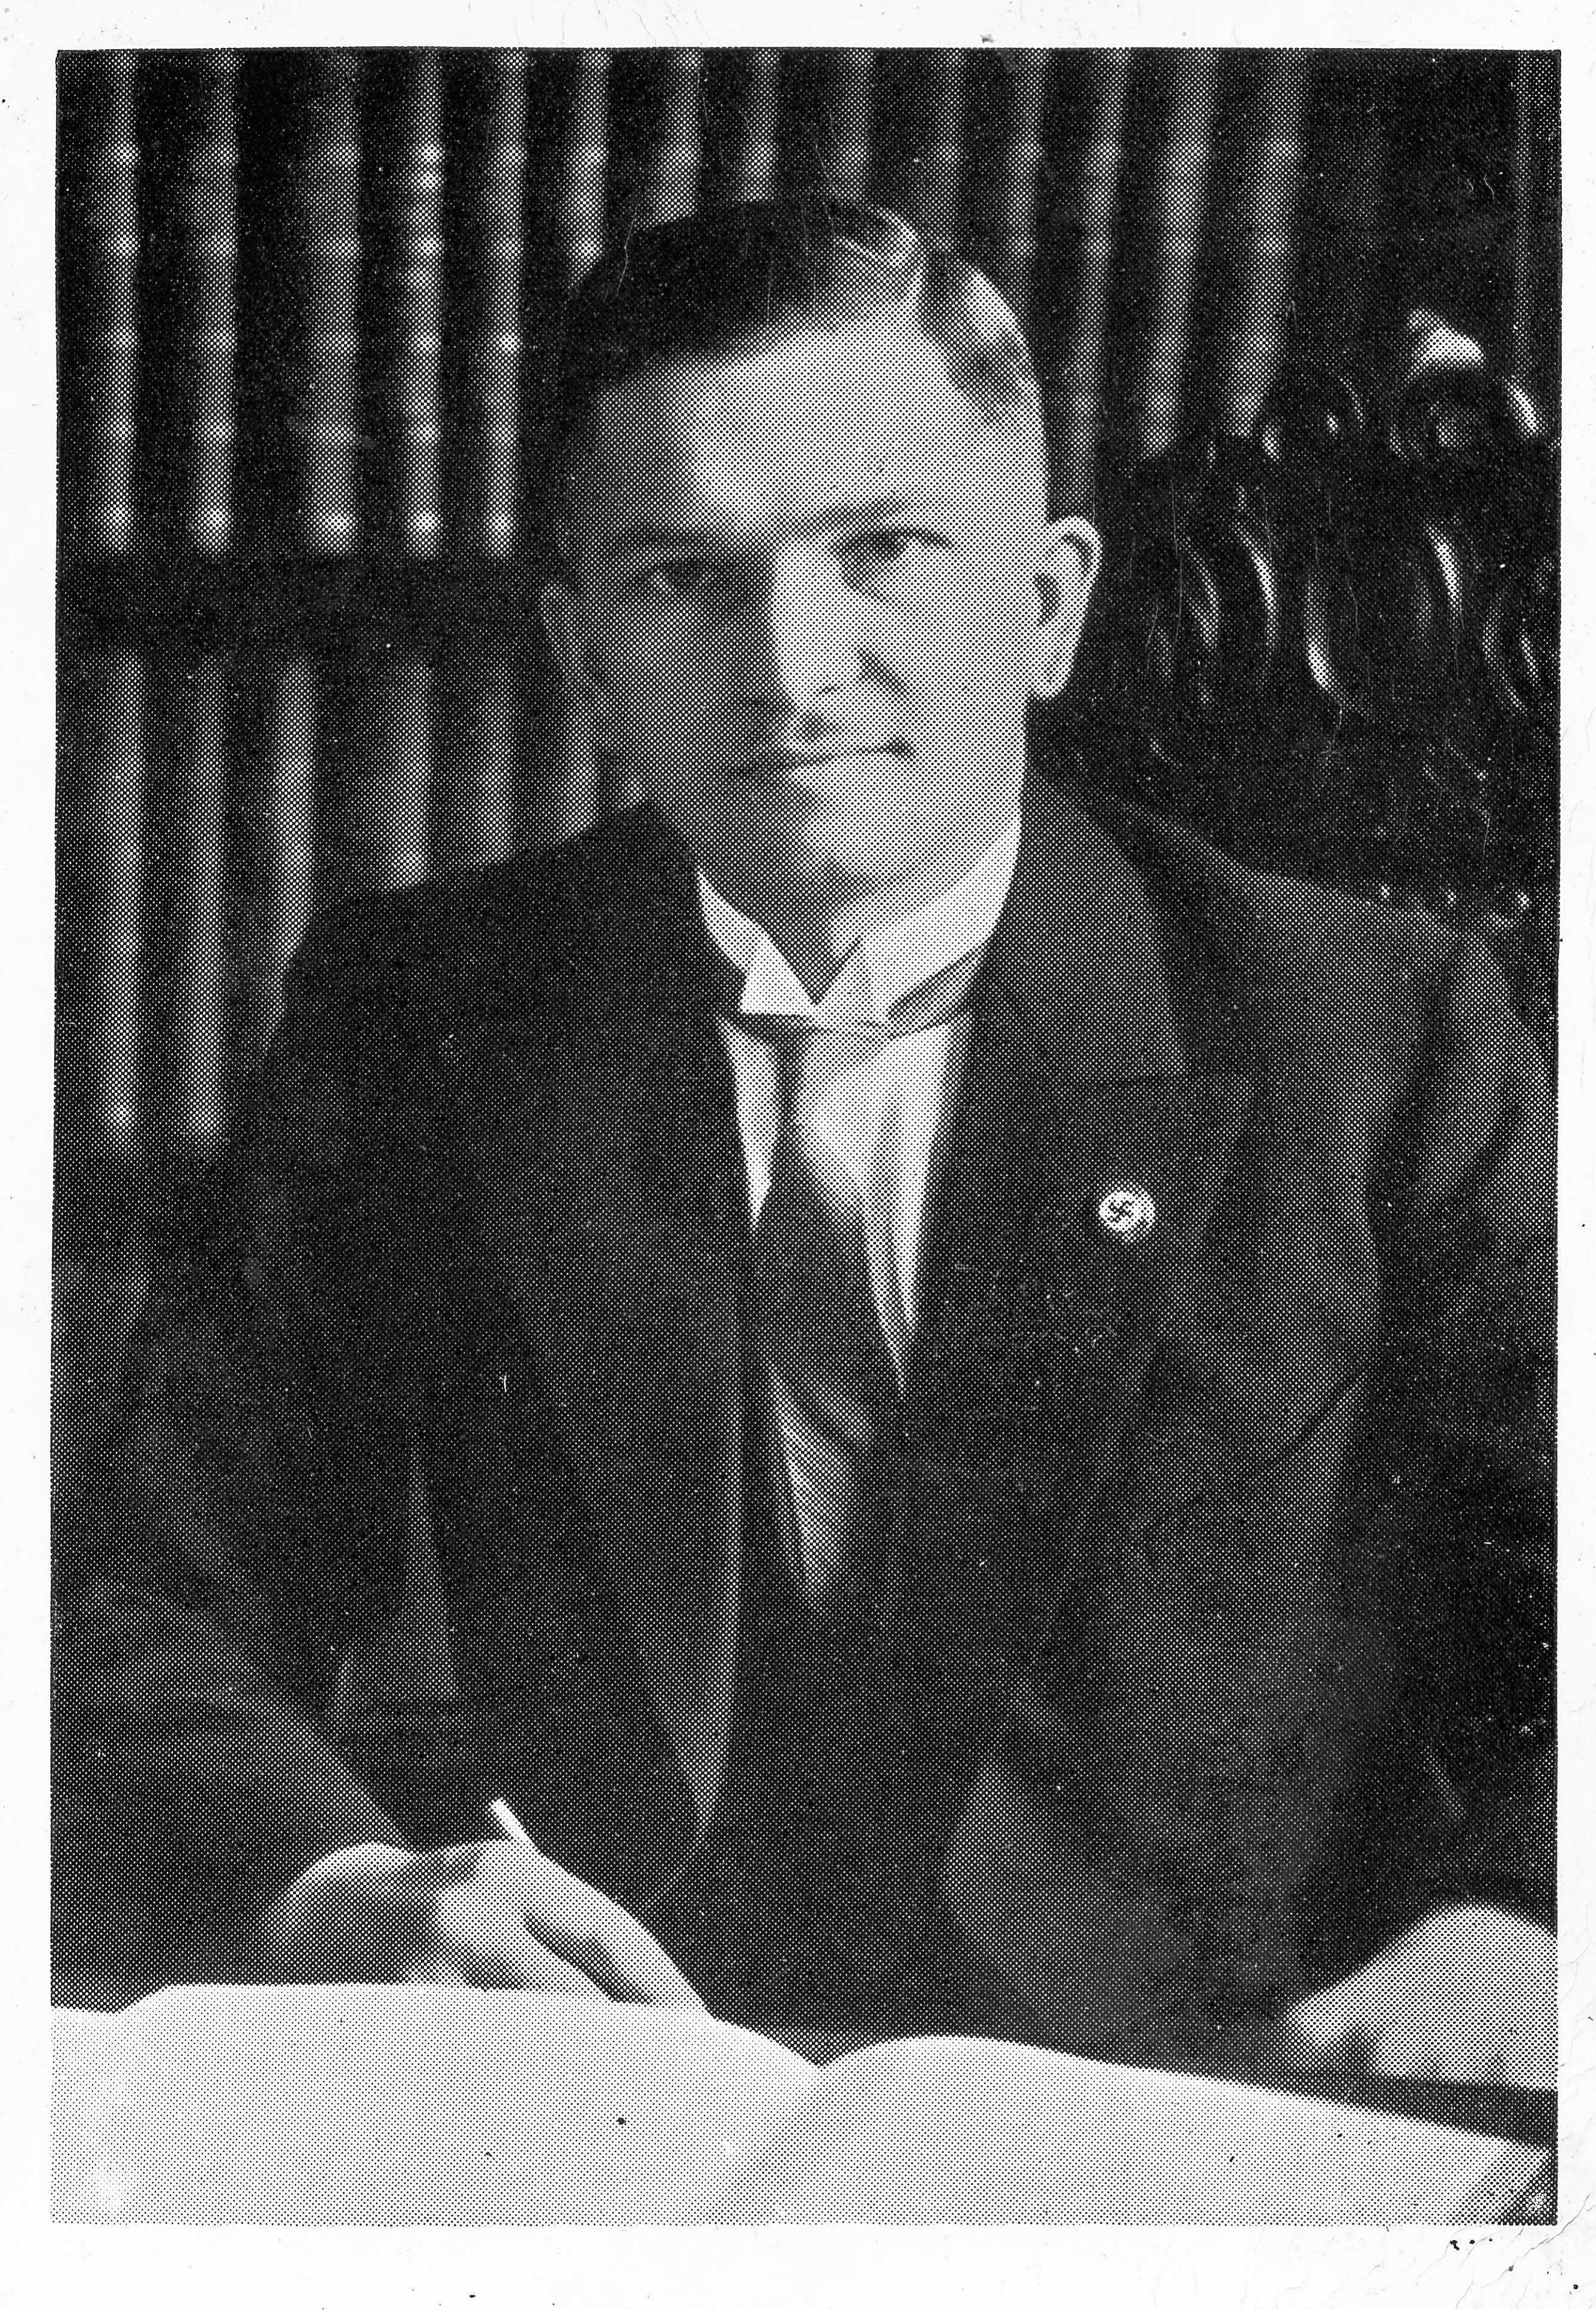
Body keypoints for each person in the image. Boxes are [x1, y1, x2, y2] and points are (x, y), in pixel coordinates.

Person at [54, 198, 1553, 2089]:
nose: (789, 661)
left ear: (1046, 607)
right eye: (683, 576)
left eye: (886, 551)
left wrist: (1527, 1917)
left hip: (1211, 2106)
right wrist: (331, 1884)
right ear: (581, 651)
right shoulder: (417, 1011)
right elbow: (142, 1600)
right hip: (624, 2100)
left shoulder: (1369, 1030)